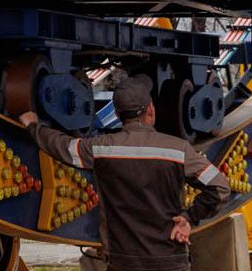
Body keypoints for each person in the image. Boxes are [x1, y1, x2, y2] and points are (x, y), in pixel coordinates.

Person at [19, 74, 231, 271]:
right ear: (151, 110)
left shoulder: (101, 149)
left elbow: (62, 147)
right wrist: (189, 218)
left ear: (118, 115)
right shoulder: (178, 150)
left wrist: (34, 127)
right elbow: (219, 187)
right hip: (170, 260)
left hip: (123, 261)